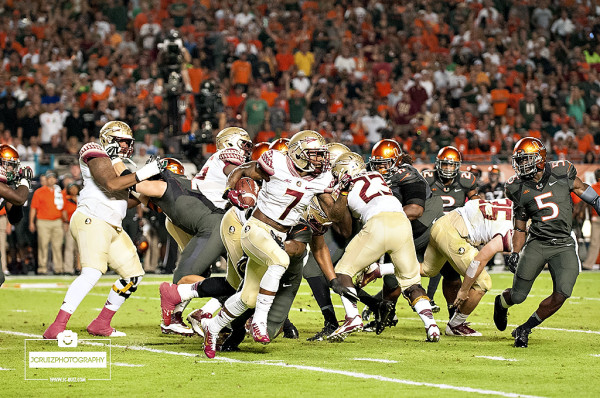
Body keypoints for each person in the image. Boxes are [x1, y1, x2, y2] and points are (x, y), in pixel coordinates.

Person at [160, 130, 342, 358]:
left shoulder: (320, 182)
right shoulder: (276, 161)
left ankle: (205, 319)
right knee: (278, 261)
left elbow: (333, 214)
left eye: (321, 156)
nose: (320, 161)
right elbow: (241, 171)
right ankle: (257, 323)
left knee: (247, 295)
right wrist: (230, 191)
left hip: (271, 235)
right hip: (245, 224)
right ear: (297, 154)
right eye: (314, 155)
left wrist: (342, 192)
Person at [43, 121, 165, 339]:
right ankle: (57, 327)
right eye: (125, 141)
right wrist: (145, 172)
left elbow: (123, 200)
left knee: (133, 275)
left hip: (112, 224)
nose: (128, 146)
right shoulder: (94, 150)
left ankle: (101, 323)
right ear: (110, 139)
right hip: (92, 218)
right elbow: (111, 184)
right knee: (92, 272)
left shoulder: (121, 163)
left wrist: (153, 194)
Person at [494, 137, 600, 348]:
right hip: (537, 243)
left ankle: (525, 328)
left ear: (540, 159)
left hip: (564, 243)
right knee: (518, 295)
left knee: (562, 293)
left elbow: (582, 189)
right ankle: (501, 303)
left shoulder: (562, 171)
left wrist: (597, 201)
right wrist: (515, 251)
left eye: (526, 160)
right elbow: (520, 225)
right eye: (519, 160)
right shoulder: (516, 187)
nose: (521, 165)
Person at [145, 127, 252, 335]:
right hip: (213, 218)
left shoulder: (217, 160)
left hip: (214, 217)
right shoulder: (225, 155)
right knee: (231, 278)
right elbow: (236, 173)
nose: (247, 149)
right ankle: (192, 312)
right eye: (244, 144)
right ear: (230, 143)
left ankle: (196, 312)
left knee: (239, 274)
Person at [325, 152, 440, 343]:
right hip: (402, 222)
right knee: (412, 283)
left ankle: (352, 318)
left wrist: (340, 198)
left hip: (377, 223)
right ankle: (432, 326)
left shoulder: (343, 186)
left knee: (343, 272)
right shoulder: (379, 177)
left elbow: (344, 227)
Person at [358, 139, 444, 334]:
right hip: (399, 229)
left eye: (384, 164)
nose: (379, 168)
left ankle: (455, 320)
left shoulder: (406, 174)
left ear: (395, 162)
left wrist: (379, 220)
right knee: (391, 282)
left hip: (422, 228)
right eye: (376, 163)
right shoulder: (373, 176)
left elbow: (415, 209)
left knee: (411, 273)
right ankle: (386, 315)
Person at [422, 198, 513, 336]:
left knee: (426, 269)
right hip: (454, 233)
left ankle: (381, 269)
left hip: (442, 222)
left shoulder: (512, 203)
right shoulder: (512, 233)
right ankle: (455, 325)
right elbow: (479, 260)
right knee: (482, 283)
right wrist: (464, 290)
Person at [421, 146, 479, 315]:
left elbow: (476, 206)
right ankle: (384, 304)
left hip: (453, 235)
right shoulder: (427, 179)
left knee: (452, 278)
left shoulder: (466, 180)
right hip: (428, 233)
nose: (447, 169)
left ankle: (452, 312)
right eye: (444, 165)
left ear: (458, 166)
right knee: (410, 270)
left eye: (451, 165)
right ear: (438, 164)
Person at [0, 144, 32, 286]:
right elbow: (20, 198)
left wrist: (17, 187)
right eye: (9, 165)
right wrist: (25, 182)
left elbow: (14, 218)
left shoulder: (5, 186)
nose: (12, 169)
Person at [29, 170, 64, 275]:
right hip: (43, 221)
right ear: (46, 180)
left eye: (54, 177)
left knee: (57, 246)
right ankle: (42, 268)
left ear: (56, 180)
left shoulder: (59, 192)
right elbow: (33, 208)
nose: (52, 179)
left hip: (57, 221)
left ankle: (58, 268)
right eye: (50, 178)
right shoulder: (39, 192)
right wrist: (31, 222)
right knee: (43, 246)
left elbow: (64, 208)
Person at [582, 169, 600, 270]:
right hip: (595, 217)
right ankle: (588, 264)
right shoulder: (593, 187)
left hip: (595, 217)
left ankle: (588, 265)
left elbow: (588, 204)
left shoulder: (593, 188)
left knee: (594, 242)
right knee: (594, 242)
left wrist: (589, 216)